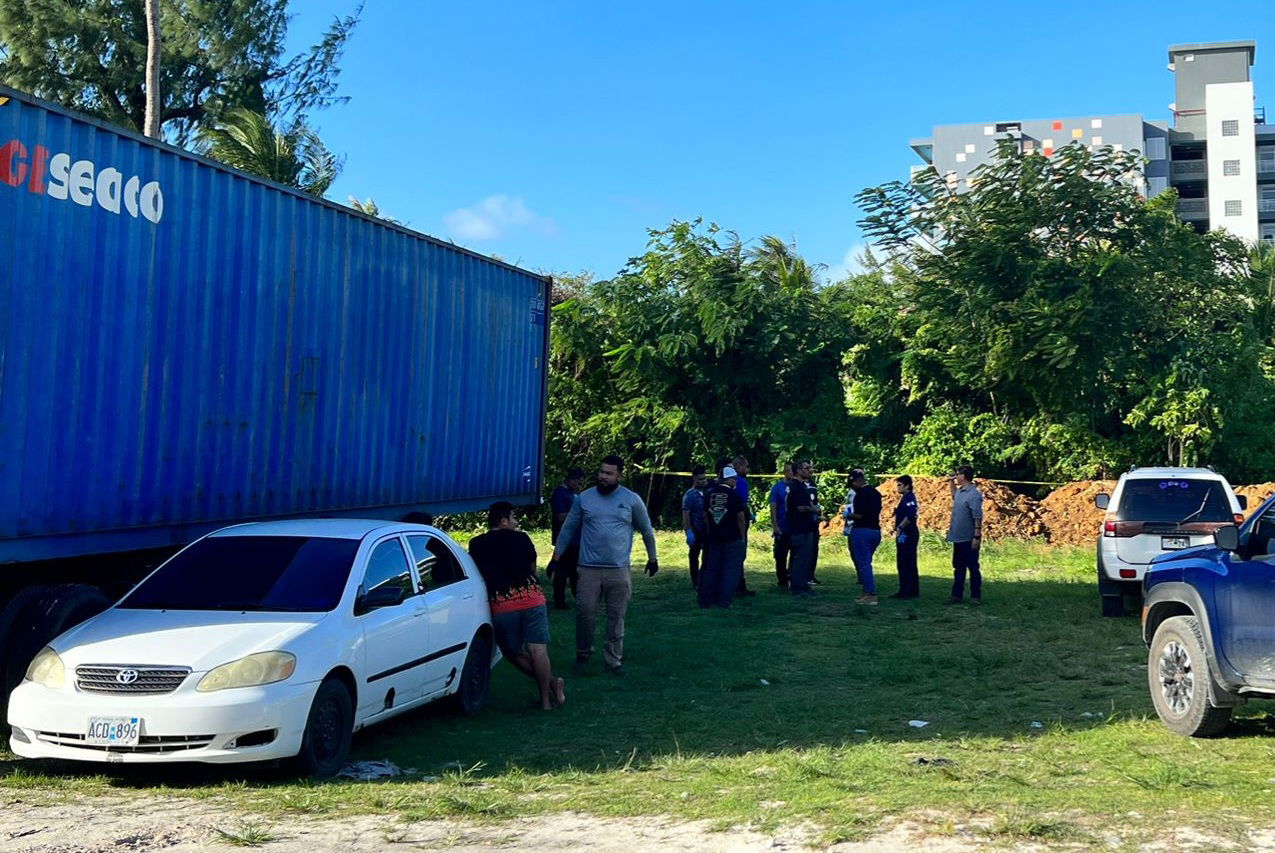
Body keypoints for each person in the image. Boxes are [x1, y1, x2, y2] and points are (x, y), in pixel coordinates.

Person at [550, 455, 659, 676]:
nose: (603, 477)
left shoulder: (631, 500)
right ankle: (583, 653)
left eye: (609, 473)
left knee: (616, 616)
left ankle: (613, 660)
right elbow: (568, 529)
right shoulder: (584, 498)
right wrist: (556, 557)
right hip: (588, 568)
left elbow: (647, 530)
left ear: (619, 475)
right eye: (601, 472)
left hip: (618, 569)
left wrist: (653, 558)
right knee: (585, 613)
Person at [468, 502, 565, 710]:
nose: (516, 522)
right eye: (514, 517)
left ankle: (553, 683)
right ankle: (546, 700)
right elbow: (532, 568)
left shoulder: (476, 544)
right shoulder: (522, 538)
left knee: (511, 651)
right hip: (533, 598)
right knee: (538, 650)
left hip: (503, 605)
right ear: (503, 521)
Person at [698, 466, 748, 608]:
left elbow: (705, 516)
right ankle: (724, 601)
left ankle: (705, 599)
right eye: (734, 479)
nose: (736, 481)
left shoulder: (709, 494)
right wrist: (742, 536)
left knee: (711, 569)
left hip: (714, 538)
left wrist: (710, 532)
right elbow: (740, 518)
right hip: (732, 537)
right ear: (729, 479)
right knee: (730, 570)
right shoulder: (735, 495)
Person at [946, 465, 984, 605]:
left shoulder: (973, 494)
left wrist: (976, 536)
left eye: (958, 474)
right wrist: (950, 481)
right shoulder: (961, 492)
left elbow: (977, 516)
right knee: (958, 567)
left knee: (973, 567)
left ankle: (975, 596)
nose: (956, 476)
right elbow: (954, 495)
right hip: (958, 537)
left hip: (969, 538)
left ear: (964, 476)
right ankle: (956, 595)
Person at [547, 467, 584, 610]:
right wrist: (578, 513)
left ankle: (577, 597)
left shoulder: (573, 493)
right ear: (571, 479)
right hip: (565, 539)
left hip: (576, 539)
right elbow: (560, 516)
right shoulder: (559, 493)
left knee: (574, 570)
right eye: (578, 482)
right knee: (562, 571)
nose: (579, 485)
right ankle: (559, 600)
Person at [846, 469, 882, 606]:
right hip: (875, 531)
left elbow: (859, 515)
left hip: (862, 531)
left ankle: (870, 594)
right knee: (866, 562)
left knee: (864, 564)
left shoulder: (860, 495)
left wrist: (848, 515)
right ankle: (865, 592)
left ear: (856, 481)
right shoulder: (876, 493)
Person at [786, 460, 820, 597]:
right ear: (798, 470)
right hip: (799, 527)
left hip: (806, 527)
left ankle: (803, 584)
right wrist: (814, 510)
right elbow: (800, 507)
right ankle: (797, 587)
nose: (810, 470)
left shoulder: (802, 486)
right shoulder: (796, 487)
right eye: (806, 468)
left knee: (806, 557)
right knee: (800, 558)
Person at [891, 475, 920, 599]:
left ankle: (906, 590)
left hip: (907, 533)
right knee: (908, 561)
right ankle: (911, 590)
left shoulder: (909, 498)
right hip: (905, 533)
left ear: (907, 486)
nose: (897, 487)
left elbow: (911, 515)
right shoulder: (906, 498)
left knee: (905, 561)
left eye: (900, 485)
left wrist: (900, 527)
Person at [731, 456, 757, 597]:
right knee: (739, 553)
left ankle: (737, 585)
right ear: (739, 466)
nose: (747, 470)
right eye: (746, 467)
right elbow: (741, 503)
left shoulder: (732, 481)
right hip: (739, 519)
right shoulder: (740, 482)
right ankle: (738, 586)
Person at [681, 466, 709, 589]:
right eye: (700, 479)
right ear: (694, 479)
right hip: (695, 529)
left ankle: (705, 578)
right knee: (694, 556)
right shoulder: (690, 495)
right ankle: (695, 581)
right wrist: (688, 530)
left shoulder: (708, 492)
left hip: (707, 529)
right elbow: (686, 513)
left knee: (707, 556)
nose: (703, 481)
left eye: (705, 478)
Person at [769, 464, 792, 589]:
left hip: (795, 527)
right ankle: (782, 581)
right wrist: (775, 526)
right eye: (788, 470)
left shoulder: (797, 487)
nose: (790, 473)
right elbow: (773, 507)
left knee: (796, 555)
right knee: (780, 556)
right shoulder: (777, 487)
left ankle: (793, 577)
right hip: (782, 527)